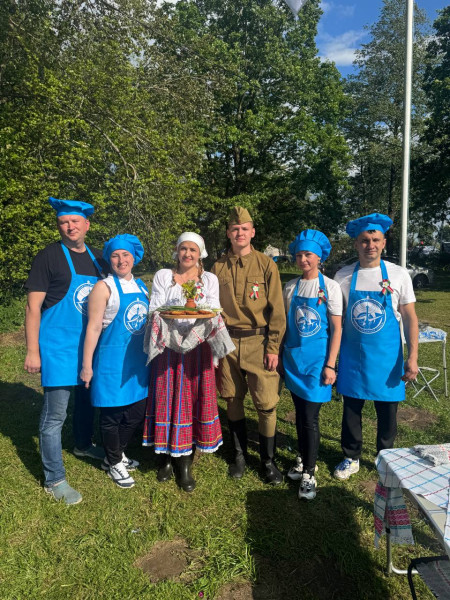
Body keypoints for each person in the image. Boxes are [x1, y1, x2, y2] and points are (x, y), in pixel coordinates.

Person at [24, 197, 108, 505]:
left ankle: (83, 445)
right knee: (55, 415)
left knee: (86, 402)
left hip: (89, 347)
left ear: (87, 225)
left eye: (75, 221)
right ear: (59, 226)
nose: (70, 226)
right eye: (63, 222)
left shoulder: (99, 259)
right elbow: (33, 308)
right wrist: (33, 350)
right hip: (58, 346)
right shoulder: (48, 257)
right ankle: (54, 479)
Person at [333, 213, 419, 480]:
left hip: (387, 356)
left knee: (387, 411)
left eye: (375, 240)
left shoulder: (398, 274)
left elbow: (409, 316)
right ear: (356, 244)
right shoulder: (343, 276)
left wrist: (413, 356)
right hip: (353, 356)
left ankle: (385, 457)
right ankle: (351, 456)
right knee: (351, 409)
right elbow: (336, 318)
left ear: (383, 243)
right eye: (364, 240)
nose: (370, 245)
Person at [143, 232, 223, 492]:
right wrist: (172, 310)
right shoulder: (163, 276)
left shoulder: (209, 279)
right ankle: (165, 457)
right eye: (183, 249)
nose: (187, 254)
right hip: (168, 344)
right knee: (166, 397)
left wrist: (196, 313)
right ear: (177, 251)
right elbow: (155, 308)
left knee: (192, 398)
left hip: (198, 344)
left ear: (200, 254)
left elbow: (214, 309)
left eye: (193, 250)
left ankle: (185, 462)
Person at [211, 207, 286, 484]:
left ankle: (267, 461)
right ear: (228, 233)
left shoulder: (266, 264)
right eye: (235, 229)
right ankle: (239, 455)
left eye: (244, 228)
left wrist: (273, 347)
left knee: (266, 404)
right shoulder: (217, 267)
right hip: (228, 341)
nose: (239, 233)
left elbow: (277, 310)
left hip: (259, 341)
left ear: (252, 232)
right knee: (232, 398)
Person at [80, 234, 149, 489]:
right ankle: (114, 461)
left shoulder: (142, 286)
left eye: (126, 255)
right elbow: (93, 327)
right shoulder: (104, 287)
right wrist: (87, 365)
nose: (121, 260)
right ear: (109, 260)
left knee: (136, 412)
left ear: (134, 258)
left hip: (138, 362)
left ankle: (115, 455)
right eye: (115, 256)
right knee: (112, 415)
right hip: (112, 360)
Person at [282, 230, 342, 500]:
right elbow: (285, 325)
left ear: (319, 257)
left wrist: (331, 364)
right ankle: (303, 457)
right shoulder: (290, 287)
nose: (303, 259)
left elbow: (337, 329)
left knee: (310, 417)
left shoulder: (330, 287)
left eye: (308, 254)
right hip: (294, 360)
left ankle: (309, 473)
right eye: (299, 255)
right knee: (299, 414)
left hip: (318, 363)